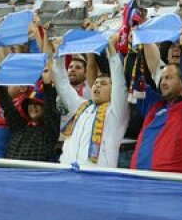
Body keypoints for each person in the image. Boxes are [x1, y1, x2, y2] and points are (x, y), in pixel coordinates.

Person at [131, 31, 182, 173]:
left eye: (168, 78)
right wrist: (135, 45)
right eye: (162, 78)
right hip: (137, 178)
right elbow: (137, 81)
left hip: (171, 181)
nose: (162, 82)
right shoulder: (154, 106)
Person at [54, 31, 128, 168]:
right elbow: (62, 83)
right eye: (96, 83)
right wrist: (60, 53)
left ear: (113, 91)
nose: (97, 85)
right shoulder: (81, 106)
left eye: (103, 84)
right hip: (66, 171)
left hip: (97, 175)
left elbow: (119, 81)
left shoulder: (116, 112)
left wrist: (110, 48)